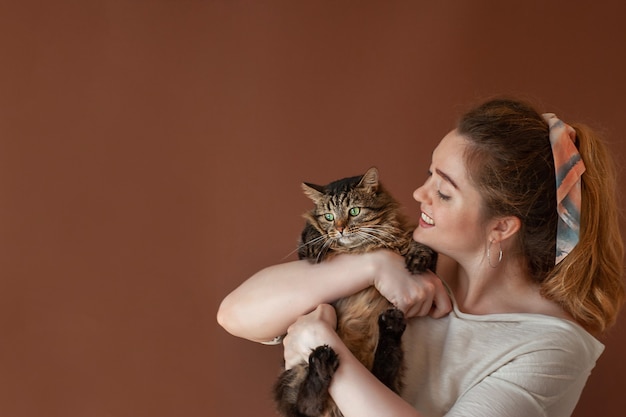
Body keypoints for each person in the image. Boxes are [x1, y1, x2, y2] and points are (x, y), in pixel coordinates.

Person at [217, 98, 625, 417]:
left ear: (502, 226)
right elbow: (237, 313)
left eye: (444, 191)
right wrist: (373, 265)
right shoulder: (404, 262)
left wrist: (319, 345)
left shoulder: (548, 346)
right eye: (430, 173)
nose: (419, 195)